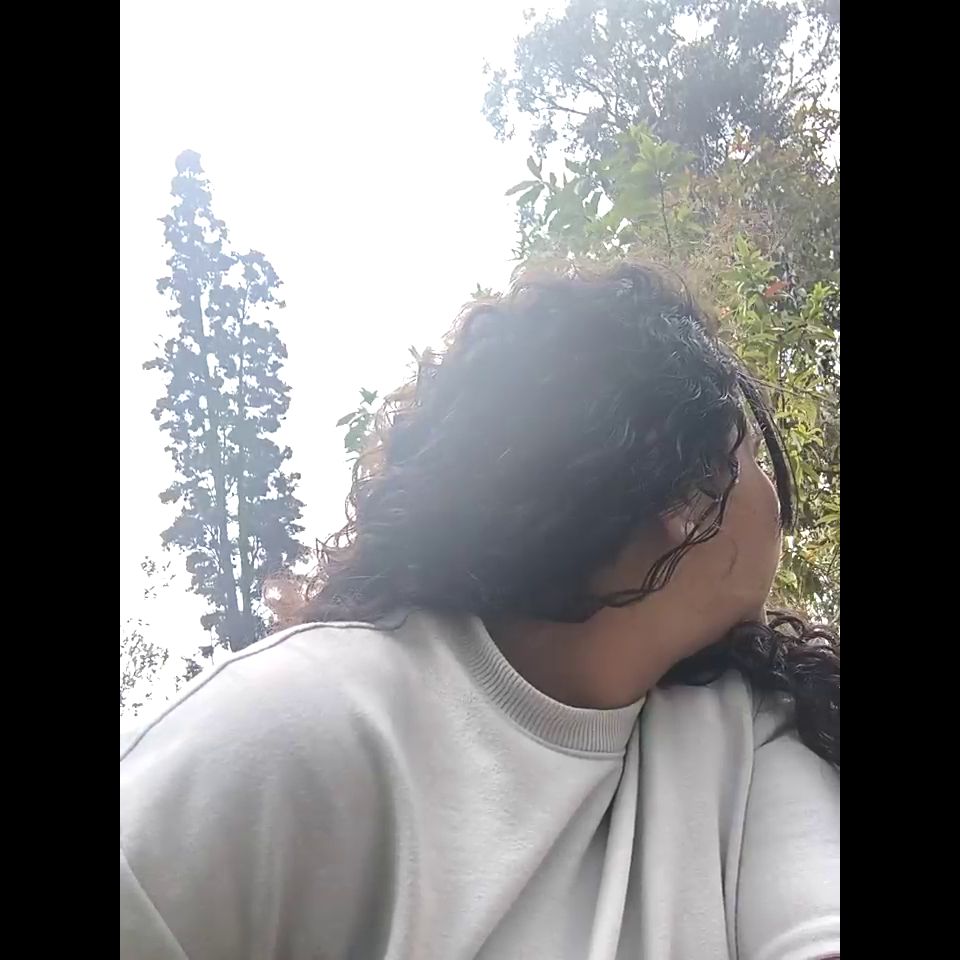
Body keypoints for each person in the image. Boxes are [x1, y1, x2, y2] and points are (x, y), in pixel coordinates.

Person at [120, 262, 840, 960]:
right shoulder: (301, 726)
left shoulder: (749, 727)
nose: (775, 503)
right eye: (751, 457)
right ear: (689, 494)